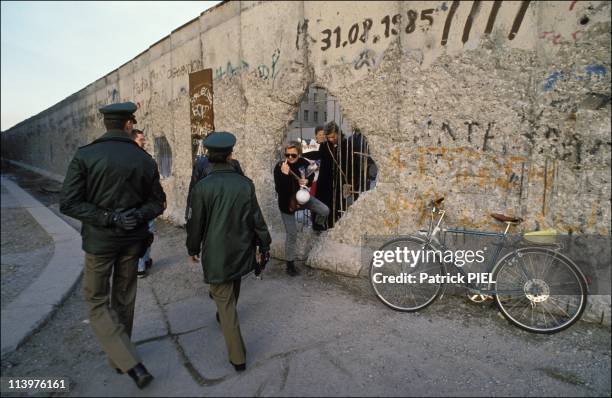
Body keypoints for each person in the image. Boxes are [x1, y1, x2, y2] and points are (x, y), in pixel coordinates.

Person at [60, 102, 166, 389]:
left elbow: (68, 202)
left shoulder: (85, 155)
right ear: (129, 125)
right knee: (124, 296)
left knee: (96, 300)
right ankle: (121, 357)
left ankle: (127, 361)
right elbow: (158, 203)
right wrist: (134, 216)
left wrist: (108, 218)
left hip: (99, 242)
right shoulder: (144, 160)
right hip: (131, 240)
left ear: (106, 124)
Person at [186, 132, 271, 372]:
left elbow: (196, 225)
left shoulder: (202, 188)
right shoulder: (245, 184)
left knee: (225, 303)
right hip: (241, 250)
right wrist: (265, 244)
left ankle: (238, 357)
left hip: (216, 253)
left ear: (209, 158)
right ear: (231, 155)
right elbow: (257, 219)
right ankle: (223, 316)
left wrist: (192, 248)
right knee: (232, 288)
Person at [273, 141, 329, 276]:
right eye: (287, 154)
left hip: (303, 198)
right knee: (292, 234)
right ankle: (290, 264)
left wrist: (307, 181)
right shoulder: (280, 166)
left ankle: (317, 225)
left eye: (293, 155)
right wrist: (285, 175)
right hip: (287, 203)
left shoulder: (304, 162)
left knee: (325, 210)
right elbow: (280, 190)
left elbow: (312, 174)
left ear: (299, 153)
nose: (290, 158)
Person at [185, 142, 244, 223]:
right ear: (229, 154)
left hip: (210, 212)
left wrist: (189, 213)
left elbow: (193, 189)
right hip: (230, 213)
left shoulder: (200, 164)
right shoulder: (235, 165)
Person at [131, 129, 160, 278]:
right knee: (141, 236)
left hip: (148, 204)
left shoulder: (145, 157)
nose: (144, 142)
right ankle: (140, 267)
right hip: (137, 205)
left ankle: (146, 260)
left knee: (148, 234)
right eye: (141, 139)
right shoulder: (131, 159)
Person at [315, 121, 347, 228]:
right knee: (323, 206)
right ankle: (323, 227)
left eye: (333, 137)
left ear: (338, 133)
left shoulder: (346, 145)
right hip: (325, 183)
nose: (331, 139)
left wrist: (349, 182)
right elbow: (318, 156)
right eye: (328, 137)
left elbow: (351, 166)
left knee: (338, 207)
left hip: (340, 182)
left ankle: (336, 228)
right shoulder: (324, 145)